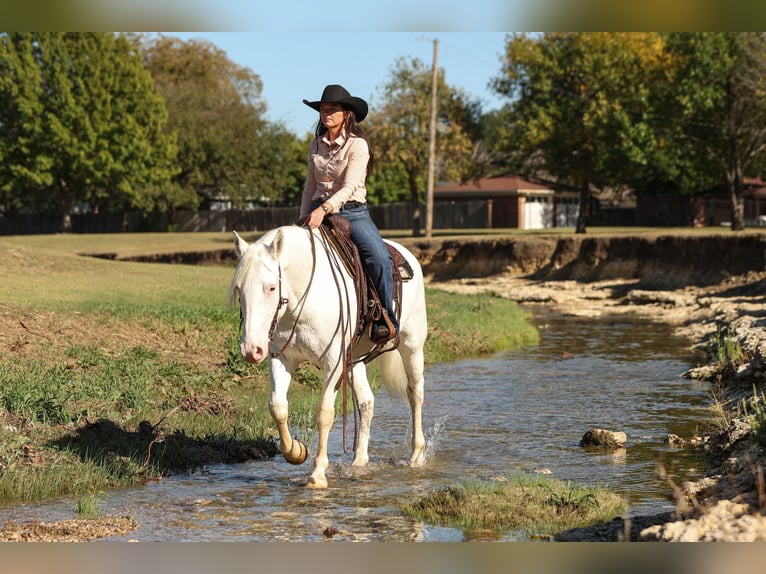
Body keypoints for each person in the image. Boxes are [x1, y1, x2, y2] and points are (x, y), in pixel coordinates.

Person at [299, 84, 397, 344]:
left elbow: (349, 187)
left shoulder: (358, 146)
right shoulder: (314, 145)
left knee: (379, 259)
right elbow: (309, 188)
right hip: (317, 210)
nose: (326, 113)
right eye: (322, 109)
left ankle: (385, 318)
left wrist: (324, 209)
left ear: (347, 114)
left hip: (353, 213)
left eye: (332, 109)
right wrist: (302, 218)